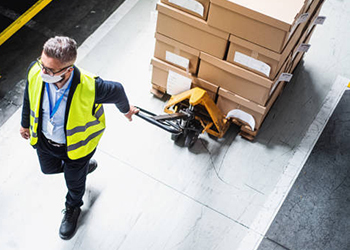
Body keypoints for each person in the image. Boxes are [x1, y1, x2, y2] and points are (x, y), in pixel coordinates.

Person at [19, 36, 139, 240]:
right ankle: (82, 170)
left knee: (74, 185)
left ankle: (73, 208)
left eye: (50, 70)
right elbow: (29, 95)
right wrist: (24, 123)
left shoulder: (92, 87)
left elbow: (118, 90)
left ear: (68, 70)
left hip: (77, 149)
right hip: (45, 142)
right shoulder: (36, 70)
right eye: (42, 64)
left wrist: (126, 110)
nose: (43, 72)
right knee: (47, 169)